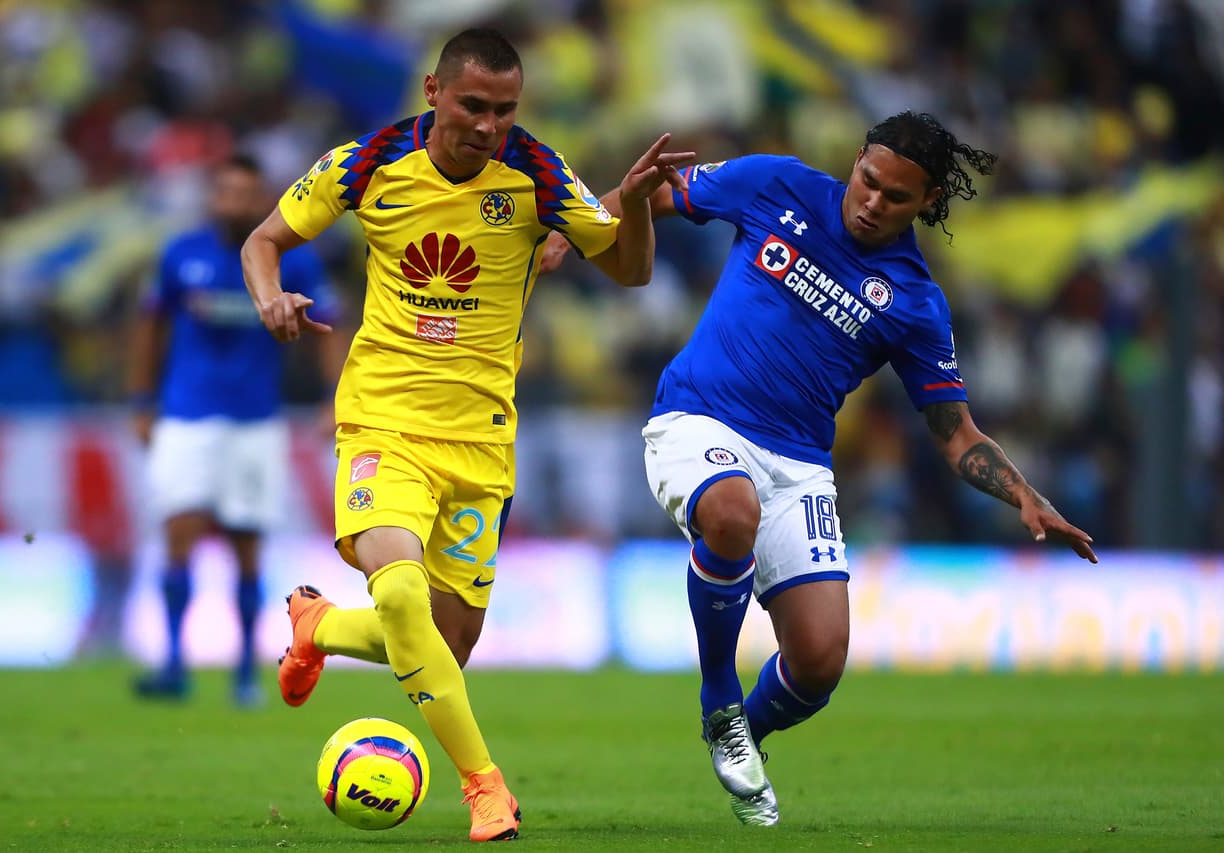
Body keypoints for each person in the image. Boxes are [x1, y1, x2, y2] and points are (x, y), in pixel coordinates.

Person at [545, 110, 1099, 826]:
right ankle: (720, 700)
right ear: (858, 157)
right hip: (698, 419)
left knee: (818, 662)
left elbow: (954, 432)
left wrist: (1023, 492)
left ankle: (740, 733)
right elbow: (651, 194)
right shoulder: (774, 183)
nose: (873, 202)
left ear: (927, 201)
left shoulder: (915, 303)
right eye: (869, 180)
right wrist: (572, 229)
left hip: (800, 464)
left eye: (896, 197)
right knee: (731, 512)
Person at [239, 28, 693, 842]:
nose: (489, 125)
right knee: (401, 594)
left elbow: (630, 270)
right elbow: (263, 241)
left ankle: (322, 626)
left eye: (505, 109)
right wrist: (270, 296)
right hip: (383, 420)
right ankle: (485, 786)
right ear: (433, 92)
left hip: (482, 443)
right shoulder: (367, 162)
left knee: (442, 643)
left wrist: (631, 204)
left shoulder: (538, 172)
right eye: (474, 105)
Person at [129, 154, 344, 707]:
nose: (235, 203)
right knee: (179, 531)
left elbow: (327, 326)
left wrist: (333, 399)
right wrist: (141, 401)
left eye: (246, 193)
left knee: (246, 544)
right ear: (211, 196)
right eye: (226, 192)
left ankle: (246, 670)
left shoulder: (291, 259)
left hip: (255, 420)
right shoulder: (181, 254)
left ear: (262, 199)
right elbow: (150, 326)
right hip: (186, 415)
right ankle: (173, 662)